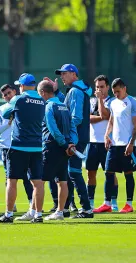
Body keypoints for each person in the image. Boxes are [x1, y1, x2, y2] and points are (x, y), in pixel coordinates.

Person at [0, 73, 45, 223]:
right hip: (37, 146)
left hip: (19, 145)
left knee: (12, 180)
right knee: (37, 182)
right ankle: (38, 215)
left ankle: (9, 215)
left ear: (22, 86)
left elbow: (5, 113)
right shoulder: (41, 100)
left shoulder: (18, 99)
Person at [57, 63, 94, 218]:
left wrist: (70, 138)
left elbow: (76, 117)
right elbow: (65, 106)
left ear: (73, 74)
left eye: (64, 74)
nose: (62, 77)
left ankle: (86, 208)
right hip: (80, 136)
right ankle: (65, 208)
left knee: (73, 172)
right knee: (69, 172)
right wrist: (56, 91)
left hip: (75, 138)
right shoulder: (79, 90)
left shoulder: (75, 91)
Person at [0, 84, 34, 214]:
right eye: (5, 95)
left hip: (22, 145)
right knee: (9, 177)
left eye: (9, 93)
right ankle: (12, 205)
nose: (7, 96)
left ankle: (31, 204)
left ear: (15, 92)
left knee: (28, 177)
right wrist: (8, 123)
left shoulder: (23, 105)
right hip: (7, 147)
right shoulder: (1, 109)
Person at [36, 80, 73, 221]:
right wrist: (69, 143)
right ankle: (60, 212)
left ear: (43, 93)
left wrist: (64, 143)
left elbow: (53, 129)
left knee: (39, 181)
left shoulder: (48, 107)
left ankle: (36, 213)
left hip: (52, 146)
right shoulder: (63, 105)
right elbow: (71, 126)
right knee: (62, 180)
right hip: (64, 148)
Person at [104, 78, 136, 213]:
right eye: (114, 92)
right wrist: (106, 135)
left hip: (127, 144)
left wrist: (131, 143)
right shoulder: (113, 103)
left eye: (118, 92)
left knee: (128, 174)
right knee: (108, 172)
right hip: (114, 144)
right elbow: (112, 120)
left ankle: (129, 204)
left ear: (124, 88)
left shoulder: (133, 103)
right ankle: (107, 203)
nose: (116, 95)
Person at [88, 75, 119, 213]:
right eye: (97, 87)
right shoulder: (91, 101)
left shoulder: (113, 101)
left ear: (107, 87)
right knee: (90, 173)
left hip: (108, 143)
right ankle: (90, 201)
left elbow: (106, 114)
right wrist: (101, 117)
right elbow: (88, 118)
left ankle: (113, 202)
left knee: (110, 173)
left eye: (101, 86)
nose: (99, 89)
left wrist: (101, 101)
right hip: (93, 142)